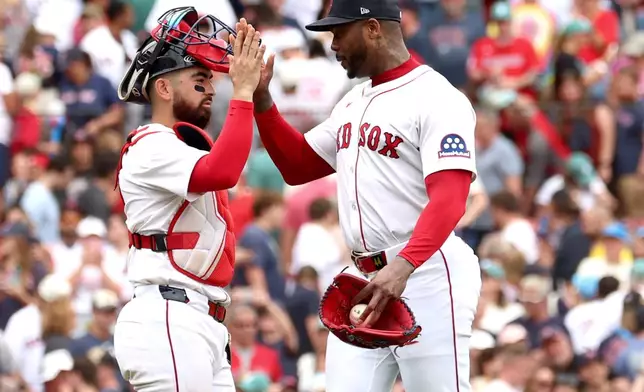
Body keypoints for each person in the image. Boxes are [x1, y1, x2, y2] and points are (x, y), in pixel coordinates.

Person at [252, 0, 481, 390]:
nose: (333, 45)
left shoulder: (438, 98)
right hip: (365, 279)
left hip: (426, 273)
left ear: (373, 28)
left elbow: (451, 198)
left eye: (340, 33)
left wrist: (405, 264)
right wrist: (262, 99)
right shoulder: (353, 101)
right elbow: (298, 166)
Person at [111, 7, 264, 392]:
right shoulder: (150, 144)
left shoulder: (179, 147)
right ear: (163, 88)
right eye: (199, 79)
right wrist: (243, 92)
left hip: (199, 321)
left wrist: (257, 93)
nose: (211, 88)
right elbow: (222, 172)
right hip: (168, 317)